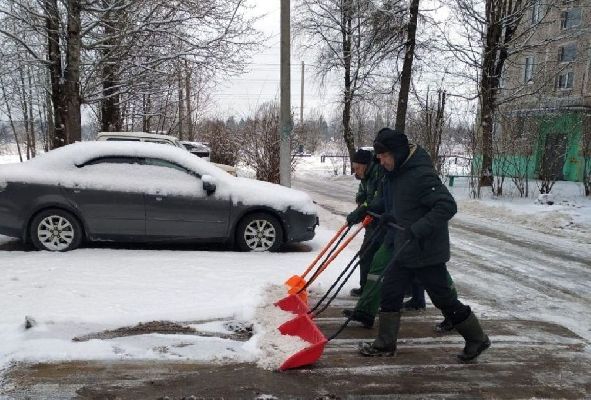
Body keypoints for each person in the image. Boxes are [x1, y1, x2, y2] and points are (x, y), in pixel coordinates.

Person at [358, 128, 490, 362]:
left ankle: (477, 338)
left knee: (443, 299)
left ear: (397, 153)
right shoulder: (397, 173)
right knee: (390, 292)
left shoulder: (421, 175)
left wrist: (418, 228)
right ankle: (385, 344)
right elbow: (405, 206)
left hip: (426, 251)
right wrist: (390, 216)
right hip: (404, 248)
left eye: (384, 156)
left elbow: (447, 206)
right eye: (379, 157)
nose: (381, 161)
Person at [346, 148, 384, 297]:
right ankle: (365, 288)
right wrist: (360, 200)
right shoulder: (365, 175)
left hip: (382, 221)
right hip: (372, 221)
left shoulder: (378, 173)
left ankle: (370, 290)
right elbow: (362, 194)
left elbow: (375, 200)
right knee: (366, 254)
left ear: (365, 165)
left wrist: (361, 211)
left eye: (357, 168)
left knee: (372, 256)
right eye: (354, 168)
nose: (355, 171)